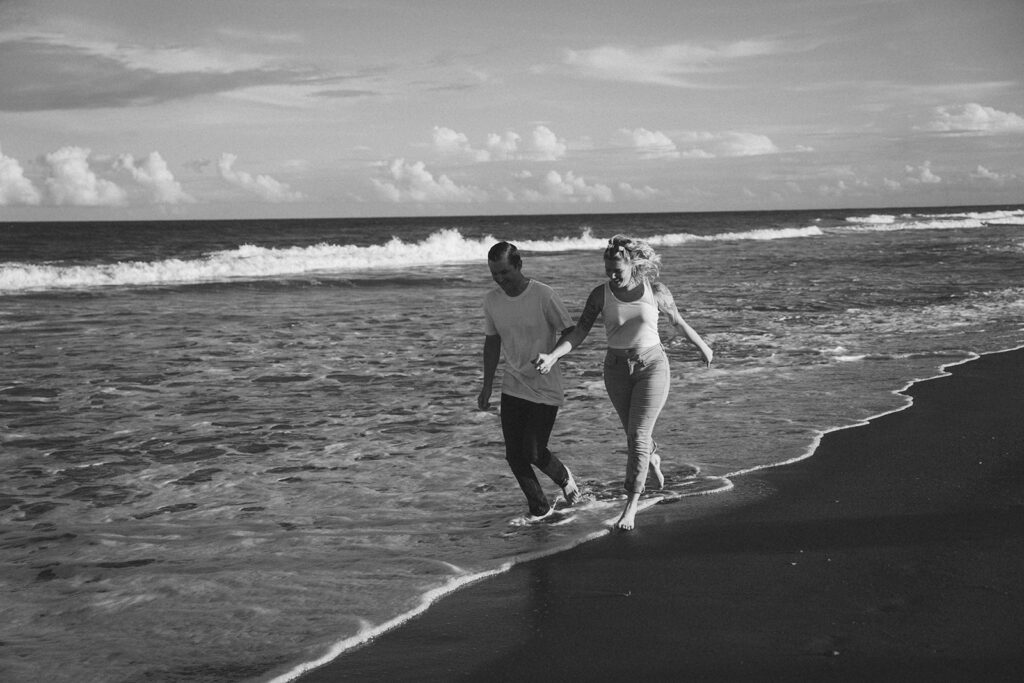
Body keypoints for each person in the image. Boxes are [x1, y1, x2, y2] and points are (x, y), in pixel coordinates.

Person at [534, 234, 713, 530]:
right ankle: (652, 459)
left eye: (618, 270)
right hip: (616, 370)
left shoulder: (655, 291)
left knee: (638, 436)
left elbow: (678, 322)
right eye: (608, 270)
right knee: (634, 436)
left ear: (632, 264)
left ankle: (631, 505)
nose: (612, 275)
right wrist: (554, 356)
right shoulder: (600, 295)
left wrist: (702, 346)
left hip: (652, 366)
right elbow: (578, 333)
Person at [478, 241, 582, 519]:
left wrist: (552, 357)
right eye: (494, 274)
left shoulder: (543, 295)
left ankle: (563, 477)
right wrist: (487, 384)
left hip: (544, 385)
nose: (500, 280)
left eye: (505, 273)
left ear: (519, 265)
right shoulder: (492, 300)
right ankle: (540, 508)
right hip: (513, 384)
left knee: (534, 451)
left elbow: (572, 332)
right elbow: (492, 342)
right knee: (514, 455)